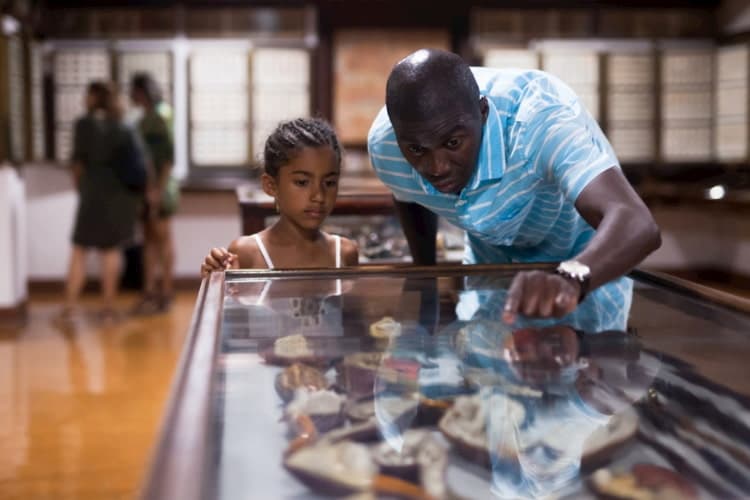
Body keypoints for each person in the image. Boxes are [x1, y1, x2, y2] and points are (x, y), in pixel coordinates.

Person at [368, 48, 661, 324]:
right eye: (418, 150)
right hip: (491, 265)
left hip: (583, 263)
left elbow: (636, 223)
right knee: (485, 366)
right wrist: (424, 277)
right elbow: (407, 193)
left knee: (577, 369)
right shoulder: (387, 146)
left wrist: (570, 277)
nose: (437, 167)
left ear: (482, 113)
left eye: (453, 143)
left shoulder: (540, 121)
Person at [201, 117, 359, 276]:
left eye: (330, 183)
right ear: (271, 186)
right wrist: (215, 280)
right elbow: (228, 300)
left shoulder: (345, 253)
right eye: (302, 182)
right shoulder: (247, 253)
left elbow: (350, 301)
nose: (319, 196)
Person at [60, 81, 145, 322]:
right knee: (111, 251)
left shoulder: (84, 125)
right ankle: (108, 308)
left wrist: (83, 188)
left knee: (79, 249)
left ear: (95, 97)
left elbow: (77, 164)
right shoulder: (124, 126)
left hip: (92, 194)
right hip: (121, 198)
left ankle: (69, 308)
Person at [130, 72, 179, 314]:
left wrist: (157, 190)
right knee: (148, 239)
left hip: (161, 187)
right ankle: (149, 290)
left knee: (162, 237)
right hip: (147, 187)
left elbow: (167, 158)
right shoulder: (147, 117)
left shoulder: (160, 116)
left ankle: (166, 290)